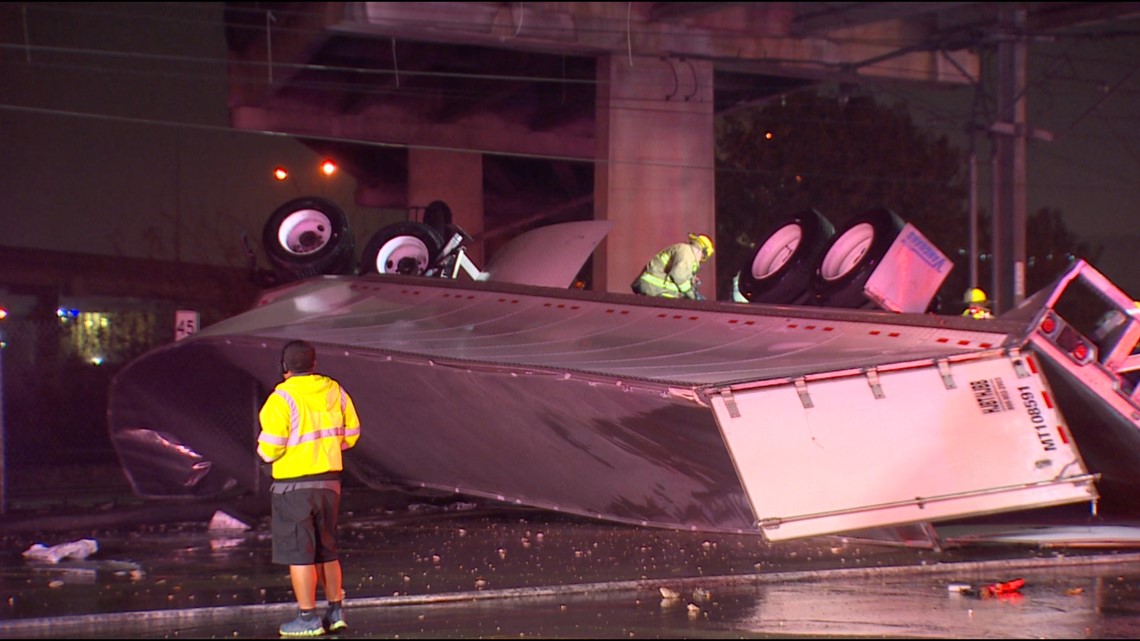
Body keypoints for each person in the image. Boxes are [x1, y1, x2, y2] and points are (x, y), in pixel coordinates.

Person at [258, 340, 361, 637]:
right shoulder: (334, 390)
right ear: (314, 364)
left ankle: (307, 618)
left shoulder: (282, 398)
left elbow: (271, 447)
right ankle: (335, 611)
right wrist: (327, 450)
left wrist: (267, 457)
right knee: (327, 549)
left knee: (299, 553)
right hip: (329, 482)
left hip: (294, 486)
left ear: (284, 368)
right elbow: (351, 434)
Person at [631, 232, 714, 299]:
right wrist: (692, 295)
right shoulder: (687, 252)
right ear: (702, 251)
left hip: (655, 288)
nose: (700, 260)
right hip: (656, 288)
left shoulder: (683, 250)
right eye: (703, 257)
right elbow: (678, 276)